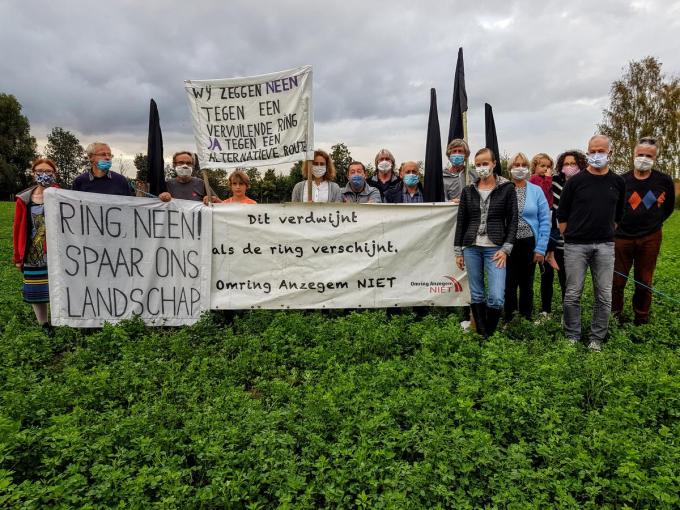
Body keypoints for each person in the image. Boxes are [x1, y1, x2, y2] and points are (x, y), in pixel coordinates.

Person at [557, 135, 626, 350]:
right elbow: (562, 214)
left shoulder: (618, 182)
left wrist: (604, 232)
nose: (596, 155)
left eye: (600, 151)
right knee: (573, 292)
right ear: (587, 153)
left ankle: (596, 338)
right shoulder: (576, 182)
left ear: (610, 153)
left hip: (605, 246)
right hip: (576, 246)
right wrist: (571, 235)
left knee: (604, 294)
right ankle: (572, 335)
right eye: (592, 151)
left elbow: (618, 215)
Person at [454, 148, 518, 338]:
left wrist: (506, 249)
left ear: (494, 164)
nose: (482, 167)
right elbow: (461, 221)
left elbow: (513, 220)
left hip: (496, 249)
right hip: (471, 247)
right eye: (478, 164)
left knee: (497, 296)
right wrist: (458, 251)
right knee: (477, 294)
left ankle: (488, 332)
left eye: (485, 163)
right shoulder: (468, 191)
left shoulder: (507, 188)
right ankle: (484, 336)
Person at [612, 137, 675, 325]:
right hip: (621, 238)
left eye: (649, 155)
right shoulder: (621, 180)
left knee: (644, 281)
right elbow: (614, 208)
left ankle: (641, 317)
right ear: (633, 155)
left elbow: (669, 207)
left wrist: (652, 223)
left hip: (650, 237)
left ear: (655, 158)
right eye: (640, 154)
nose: (644, 158)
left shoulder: (663, 180)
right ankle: (615, 316)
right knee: (617, 281)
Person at [12, 159, 61, 336]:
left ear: (54, 174)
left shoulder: (61, 195)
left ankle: (61, 320)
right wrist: (18, 255)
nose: (44, 174)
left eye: (48, 171)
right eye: (40, 170)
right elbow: (17, 228)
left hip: (57, 252)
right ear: (33, 173)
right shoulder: (24, 199)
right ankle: (44, 324)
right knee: (36, 291)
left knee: (58, 288)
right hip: (33, 253)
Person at [539, 150, 587, 316]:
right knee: (546, 277)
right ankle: (545, 311)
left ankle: (568, 313)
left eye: (573, 164)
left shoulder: (585, 184)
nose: (569, 167)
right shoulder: (554, 182)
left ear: (580, 165)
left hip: (572, 241)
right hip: (550, 238)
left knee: (566, 279)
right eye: (566, 164)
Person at [504, 153, 550, 321]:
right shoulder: (503, 189)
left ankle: (525, 318)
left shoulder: (536, 191)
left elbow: (545, 220)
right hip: (508, 244)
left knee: (527, 284)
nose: (520, 168)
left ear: (528, 169)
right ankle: (509, 318)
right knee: (508, 284)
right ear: (510, 169)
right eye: (516, 165)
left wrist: (541, 248)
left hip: (529, 243)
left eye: (523, 164)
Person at [443, 138, 470, 204]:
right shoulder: (443, 177)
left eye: (460, 151)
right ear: (449, 155)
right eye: (454, 151)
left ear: (466, 155)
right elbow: (440, 200)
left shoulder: (473, 175)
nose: (457, 154)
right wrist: (451, 202)